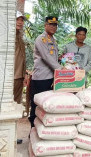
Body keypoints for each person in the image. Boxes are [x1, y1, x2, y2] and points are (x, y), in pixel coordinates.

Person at [28, 16, 63, 128]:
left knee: (48, 104)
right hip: (41, 78)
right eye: (51, 24)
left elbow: (52, 57)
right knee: (37, 105)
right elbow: (46, 57)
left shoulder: (53, 40)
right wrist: (61, 69)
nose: (54, 27)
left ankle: (44, 130)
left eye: (55, 25)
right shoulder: (41, 39)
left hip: (51, 77)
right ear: (45, 25)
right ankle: (33, 130)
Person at [14, 11, 27, 145]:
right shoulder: (7, 37)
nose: (20, 22)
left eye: (21, 20)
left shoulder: (20, 37)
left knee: (15, 107)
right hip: (8, 78)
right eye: (17, 19)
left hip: (19, 77)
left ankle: (12, 135)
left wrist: (24, 74)